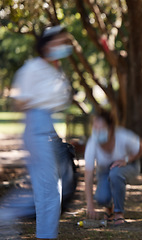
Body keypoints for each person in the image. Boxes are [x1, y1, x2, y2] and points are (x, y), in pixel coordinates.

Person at [4, 25, 73, 239]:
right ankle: (5, 215)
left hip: (49, 129)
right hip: (37, 126)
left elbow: (62, 100)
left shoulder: (55, 71)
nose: (63, 46)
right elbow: (19, 102)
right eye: (59, 42)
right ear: (46, 44)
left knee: (53, 191)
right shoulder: (32, 68)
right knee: (48, 193)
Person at [84, 110, 142, 226]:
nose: (97, 131)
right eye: (95, 127)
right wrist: (90, 205)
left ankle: (118, 212)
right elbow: (88, 176)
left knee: (115, 174)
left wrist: (126, 159)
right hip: (105, 171)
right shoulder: (92, 143)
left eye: (101, 128)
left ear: (110, 128)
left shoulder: (123, 135)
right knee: (101, 198)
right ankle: (109, 208)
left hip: (128, 165)